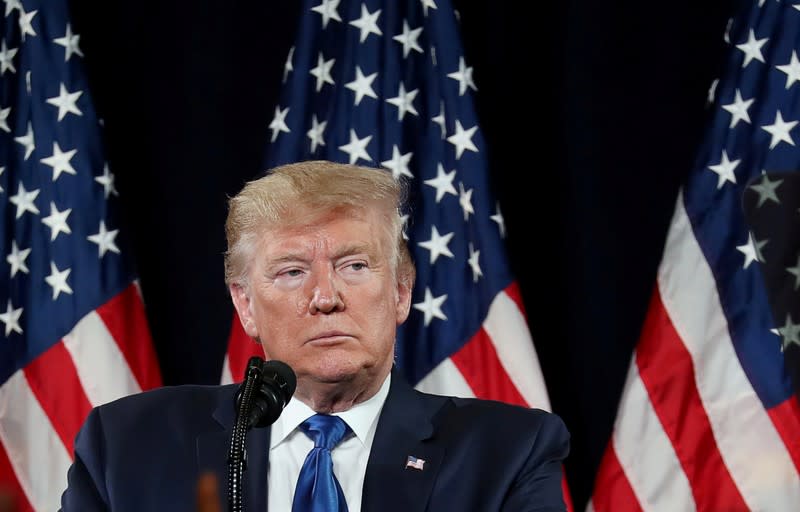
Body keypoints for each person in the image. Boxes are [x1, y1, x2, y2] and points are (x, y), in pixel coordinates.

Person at [60, 160, 570, 511]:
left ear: (399, 292)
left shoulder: (507, 453)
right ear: (245, 305)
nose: (326, 297)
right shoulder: (128, 446)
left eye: (353, 265)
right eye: (291, 272)